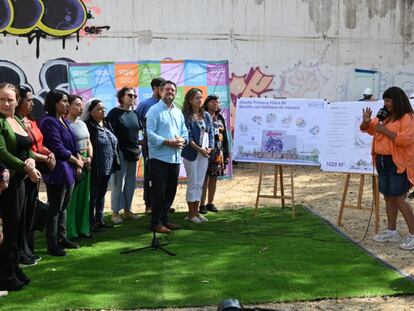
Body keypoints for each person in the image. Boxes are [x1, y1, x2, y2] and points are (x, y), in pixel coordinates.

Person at [360, 86, 414, 250]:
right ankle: (392, 232)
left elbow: (406, 140)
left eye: (388, 100)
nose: (385, 103)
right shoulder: (384, 115)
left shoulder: (407, 117)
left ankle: (413, 234)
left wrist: (384, 130)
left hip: (398, 163)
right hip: (382, 162)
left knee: (399, 198)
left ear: (397, 100)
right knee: (388, 197)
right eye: (384, 100)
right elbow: (367, 129)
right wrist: (367, 121)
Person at [0, 83, 41, 291]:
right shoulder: (0, 121)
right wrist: (27, 167)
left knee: (17, 229)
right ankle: (5, 275)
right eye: (2, 99)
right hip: (6, 183)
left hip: (22, 182)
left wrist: (32, 160)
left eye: (10, 99)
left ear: (17, 101)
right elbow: (2, 152)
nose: (6, 103)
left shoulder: (16, 119)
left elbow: (28, 146)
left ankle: (15, 269)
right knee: (8, 230)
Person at [15, 86, 56, 265]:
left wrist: (49, 153)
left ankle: (28, 249)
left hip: (36, 172)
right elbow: (28, 149)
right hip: (24, 173)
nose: (32, 104)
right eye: (28, 100)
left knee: (31, 212)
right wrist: (44, 157)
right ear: (19, 101)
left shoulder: (31, 120)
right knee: (22, 215)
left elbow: (39, 143)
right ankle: (21, 252)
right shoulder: (15, 122)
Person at [40, 90, 83, 256]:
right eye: (64, 101)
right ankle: (52, 244)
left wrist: (78, 160)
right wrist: (76, 161)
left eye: (67, 101)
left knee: (63, 207)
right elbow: (57, 148)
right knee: (55, 208)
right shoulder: (48, 122)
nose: (67, 104)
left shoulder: (62, 121)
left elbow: (73, 144)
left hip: (69, 170)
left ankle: (61, 238)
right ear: (54, 103)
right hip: (58, 171)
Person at [146, 80, 188, 233]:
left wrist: (184, 140)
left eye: (173, 90)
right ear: (161, 92)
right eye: (167, 90)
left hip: (175, 158)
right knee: (159, 192)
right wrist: (167, 142)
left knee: (170, 192)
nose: (170, 92)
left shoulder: (178, 112)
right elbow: (149, 134)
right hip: (159, 158)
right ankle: (155, 223)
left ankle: (164, 220)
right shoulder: (153, 110)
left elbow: (184, 131)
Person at [84, 99, 120, 232]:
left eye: (103, 108)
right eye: (99, 109)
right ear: (91, 112)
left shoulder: (106, 124)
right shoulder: (88, 126)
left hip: (107, 166)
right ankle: (90, 222)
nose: (103, 110)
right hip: (95, 167)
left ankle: (100, 219)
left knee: (102, 193)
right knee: (93, 195)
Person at [106, 87, 141, 224]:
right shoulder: (114, 113)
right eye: (129, 95)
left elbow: (138, 133)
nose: (132, 97)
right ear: (121, 97)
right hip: (119, 152)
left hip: (134, 152)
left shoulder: (136, 114)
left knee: (131, 183)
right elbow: (109, 134)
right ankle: (115, 212)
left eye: (134, 95)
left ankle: (127, 210)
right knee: (117, 183)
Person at [181, 88, 214, 223]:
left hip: (204, 154)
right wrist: (200, 149)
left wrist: (210, 148)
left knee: (200, 183)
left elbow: (211, 133)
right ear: (190, 100)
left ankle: (197, 212)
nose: (200, 100)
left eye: (201, 97)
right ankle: (191, 213)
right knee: (192, 183)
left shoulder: (206, 115)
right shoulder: (186, 116)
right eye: (196, 98)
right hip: (191, 154)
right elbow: (188, 137)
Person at [135, 77, 165, 215]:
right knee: (151, 175)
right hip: (150, 147)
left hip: (166, 146)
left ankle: (163, 204)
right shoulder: (145, 104)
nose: (165, 90)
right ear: (154, 88)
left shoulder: (168, 104)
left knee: (165, 176)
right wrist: (140, 140)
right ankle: (149, 205)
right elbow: (135, 124)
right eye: (161, 87)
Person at [65, 95, 93, 240]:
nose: (81, 108)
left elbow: (89, 143)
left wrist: (90, 157)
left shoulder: (82, 124)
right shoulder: (65, 124)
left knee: (84, 198)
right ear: (68, 106)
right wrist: (78, 161)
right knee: (72, 199)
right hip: (73, 164)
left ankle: (83, 229)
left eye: (81, 105)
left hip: (86, 164)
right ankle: (71, 231)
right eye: (77, 105)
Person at [199, 95, 230, 214]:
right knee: (204, 179)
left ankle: (210, 203)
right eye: (213, 102)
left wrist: (226, 154)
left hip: (218, 153)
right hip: (206, 151)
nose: (216, 104)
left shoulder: (220, 117)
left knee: (214, 178)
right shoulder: (202, 116)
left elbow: (225, 138)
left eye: (217, 102)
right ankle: (201, 205)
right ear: (207, 103)